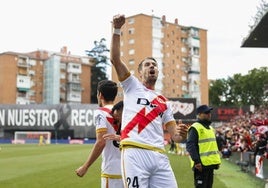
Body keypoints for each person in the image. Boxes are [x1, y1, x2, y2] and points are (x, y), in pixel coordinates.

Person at [110, 14, 188, 188]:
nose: (152, 66)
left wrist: (181, 135)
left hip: (160, 157)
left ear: (158, 73)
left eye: (154, 65)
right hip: (134, 152)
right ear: (139, 73)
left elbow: (175, 136)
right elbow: (115, 59)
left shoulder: (164, 102)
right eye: (147, 65)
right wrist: (116, 29)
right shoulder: (132, 86)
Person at [75, 80, 124, 188]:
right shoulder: (124, 112)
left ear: (100, 95)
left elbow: (101, 142)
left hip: (111, 171)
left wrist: (85, 166)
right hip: (128, 169)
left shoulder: (100, 112)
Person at [186, 105, 221, 188]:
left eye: (209, 112)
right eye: (206, 113)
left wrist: (216, 161)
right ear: (199, 114)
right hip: (201, 166)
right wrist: (197, 162)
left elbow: (213, 146)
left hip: (210, 165)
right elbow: (190, 145)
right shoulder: (195, 127)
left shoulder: (211, 128)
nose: (209, 114)